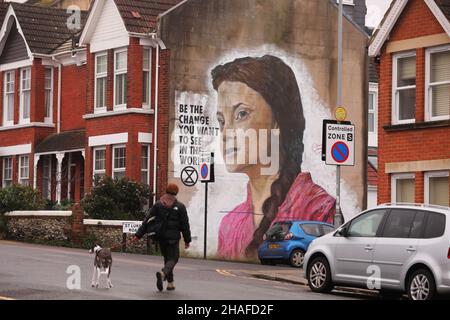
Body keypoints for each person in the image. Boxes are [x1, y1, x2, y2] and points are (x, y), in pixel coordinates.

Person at [211, 55, 336, 260]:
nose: (225, 134)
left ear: (277, 121)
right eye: (221, 121)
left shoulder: (318, 209)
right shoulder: (229, 225)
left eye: (241, 114)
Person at [133, 183, 191, 291]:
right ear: (176, 193)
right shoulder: (180, 207)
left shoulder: (158, 205)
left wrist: (138, 235)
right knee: (173, 258)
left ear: (166, 191)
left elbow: (147, 220)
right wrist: (187, 240)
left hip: (160, 237)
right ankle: (163, 273)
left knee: (167, 259)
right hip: (173, 238)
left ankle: (170, 283)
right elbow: (185, 225)